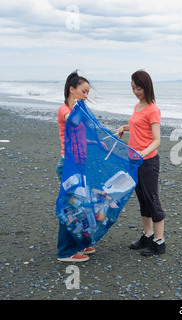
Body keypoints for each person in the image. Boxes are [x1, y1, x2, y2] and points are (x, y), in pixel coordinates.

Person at [116, 70, 166, 256]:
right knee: (142, 199)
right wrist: (124, 127)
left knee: (152, 199)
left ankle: (159, 242)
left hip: (148, 162)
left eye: (139, 88)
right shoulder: (137, 106)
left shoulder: (153, 109)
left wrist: (143, 152)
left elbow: (156, 139)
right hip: (134, 162)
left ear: (147, 87)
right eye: (133, 88)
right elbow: (138, 126)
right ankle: (148, 235)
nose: (136, 91)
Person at [56, 70, 95, 262]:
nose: (86, 96)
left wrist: (98, 143)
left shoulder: (77, 110)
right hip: (68, 167)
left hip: (79, 164)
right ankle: (65, 252)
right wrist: (77, 108)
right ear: (72, 89)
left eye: (88, 92)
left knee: (80, 206)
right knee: (69, 208)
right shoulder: (65, 110)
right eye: (84, 91)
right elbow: (70, 122)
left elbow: (81, 137)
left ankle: (80, 243)